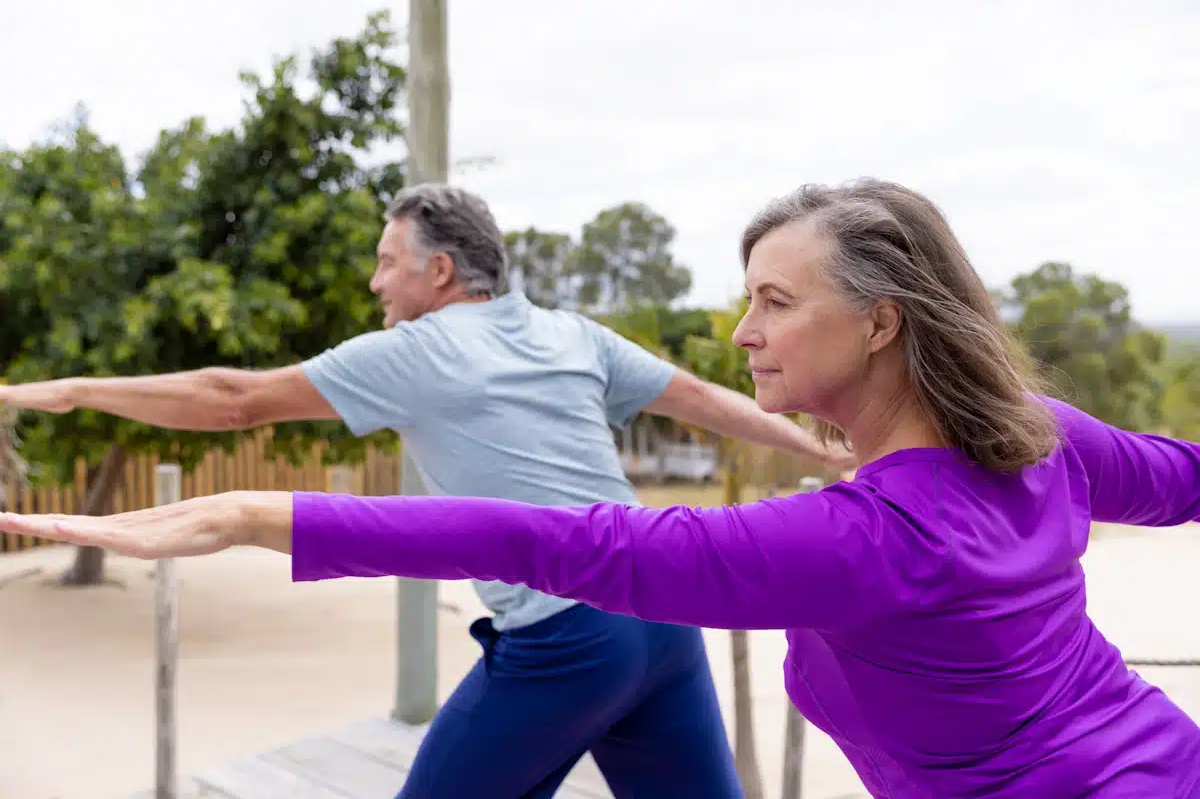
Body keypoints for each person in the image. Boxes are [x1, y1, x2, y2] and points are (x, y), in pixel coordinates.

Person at [7, 177, 1200, 798]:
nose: (744, 329)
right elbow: (1186, 478)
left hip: (570, 640)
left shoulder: (864, 538)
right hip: (1156, 756)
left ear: (883, 321)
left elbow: (560, 541)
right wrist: (821, 444)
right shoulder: (1032, 434)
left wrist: (240, 507)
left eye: (776, 302)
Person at [0, 183, 856, 799]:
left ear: (439, 272)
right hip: (663, 625)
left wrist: (72, 390)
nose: (376, 283)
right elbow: (709, 403)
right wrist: (837, 455)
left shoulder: (419, 350)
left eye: (386, 263)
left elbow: (235, 400)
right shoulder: (570, 333)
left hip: (565, 639)